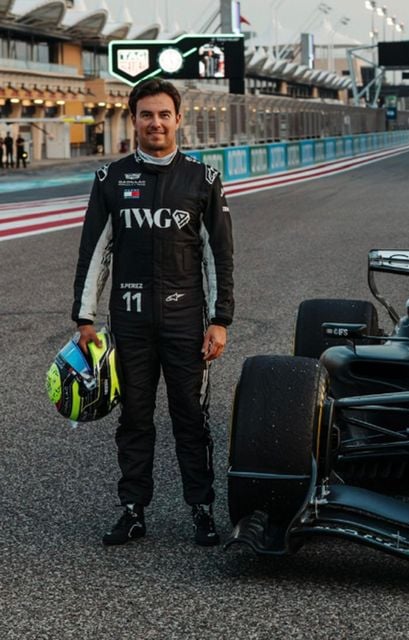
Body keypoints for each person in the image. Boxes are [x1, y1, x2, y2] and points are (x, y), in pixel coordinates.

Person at [71, 78, 234, 547]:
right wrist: (85, 318)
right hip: (130, 324)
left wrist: (220, 320)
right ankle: (132, 510)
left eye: (164, 114)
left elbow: (219, 256)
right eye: (146, 115)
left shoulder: (204, 179)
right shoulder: (110, 179)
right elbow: (94, 252)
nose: (155, 123)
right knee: (134, 420)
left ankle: (202, 510)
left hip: (186, 324)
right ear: (134, 120)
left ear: (179, 119)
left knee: (191, 419)